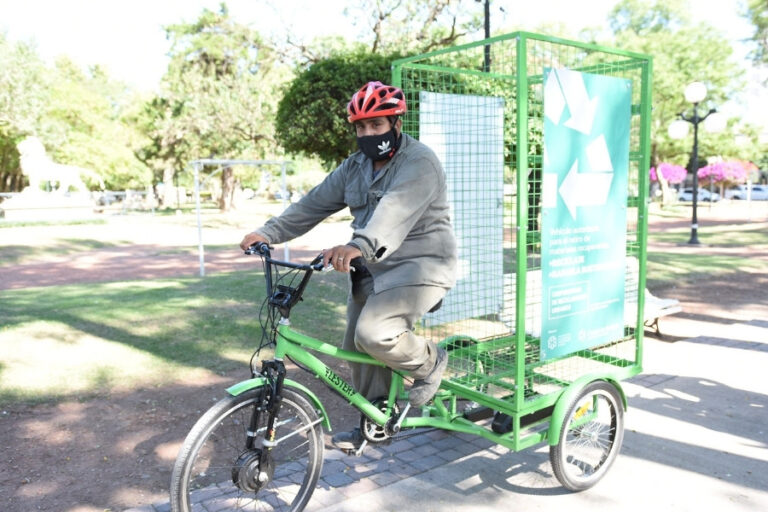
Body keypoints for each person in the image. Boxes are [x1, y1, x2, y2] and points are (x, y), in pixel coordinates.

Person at [239, 80, 457, 451]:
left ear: (396, 123)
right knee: (356, 347)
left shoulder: (419, 162)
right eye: (361, 127)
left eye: (377, 124)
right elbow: (313, 203)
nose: (368, 134)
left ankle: (429, 362)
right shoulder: (355, 167)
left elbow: (393, 213)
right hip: (372, 267)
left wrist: (357, 246)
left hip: (421, 265)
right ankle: (376, 417)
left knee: (374, 334)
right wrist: (268, 232)